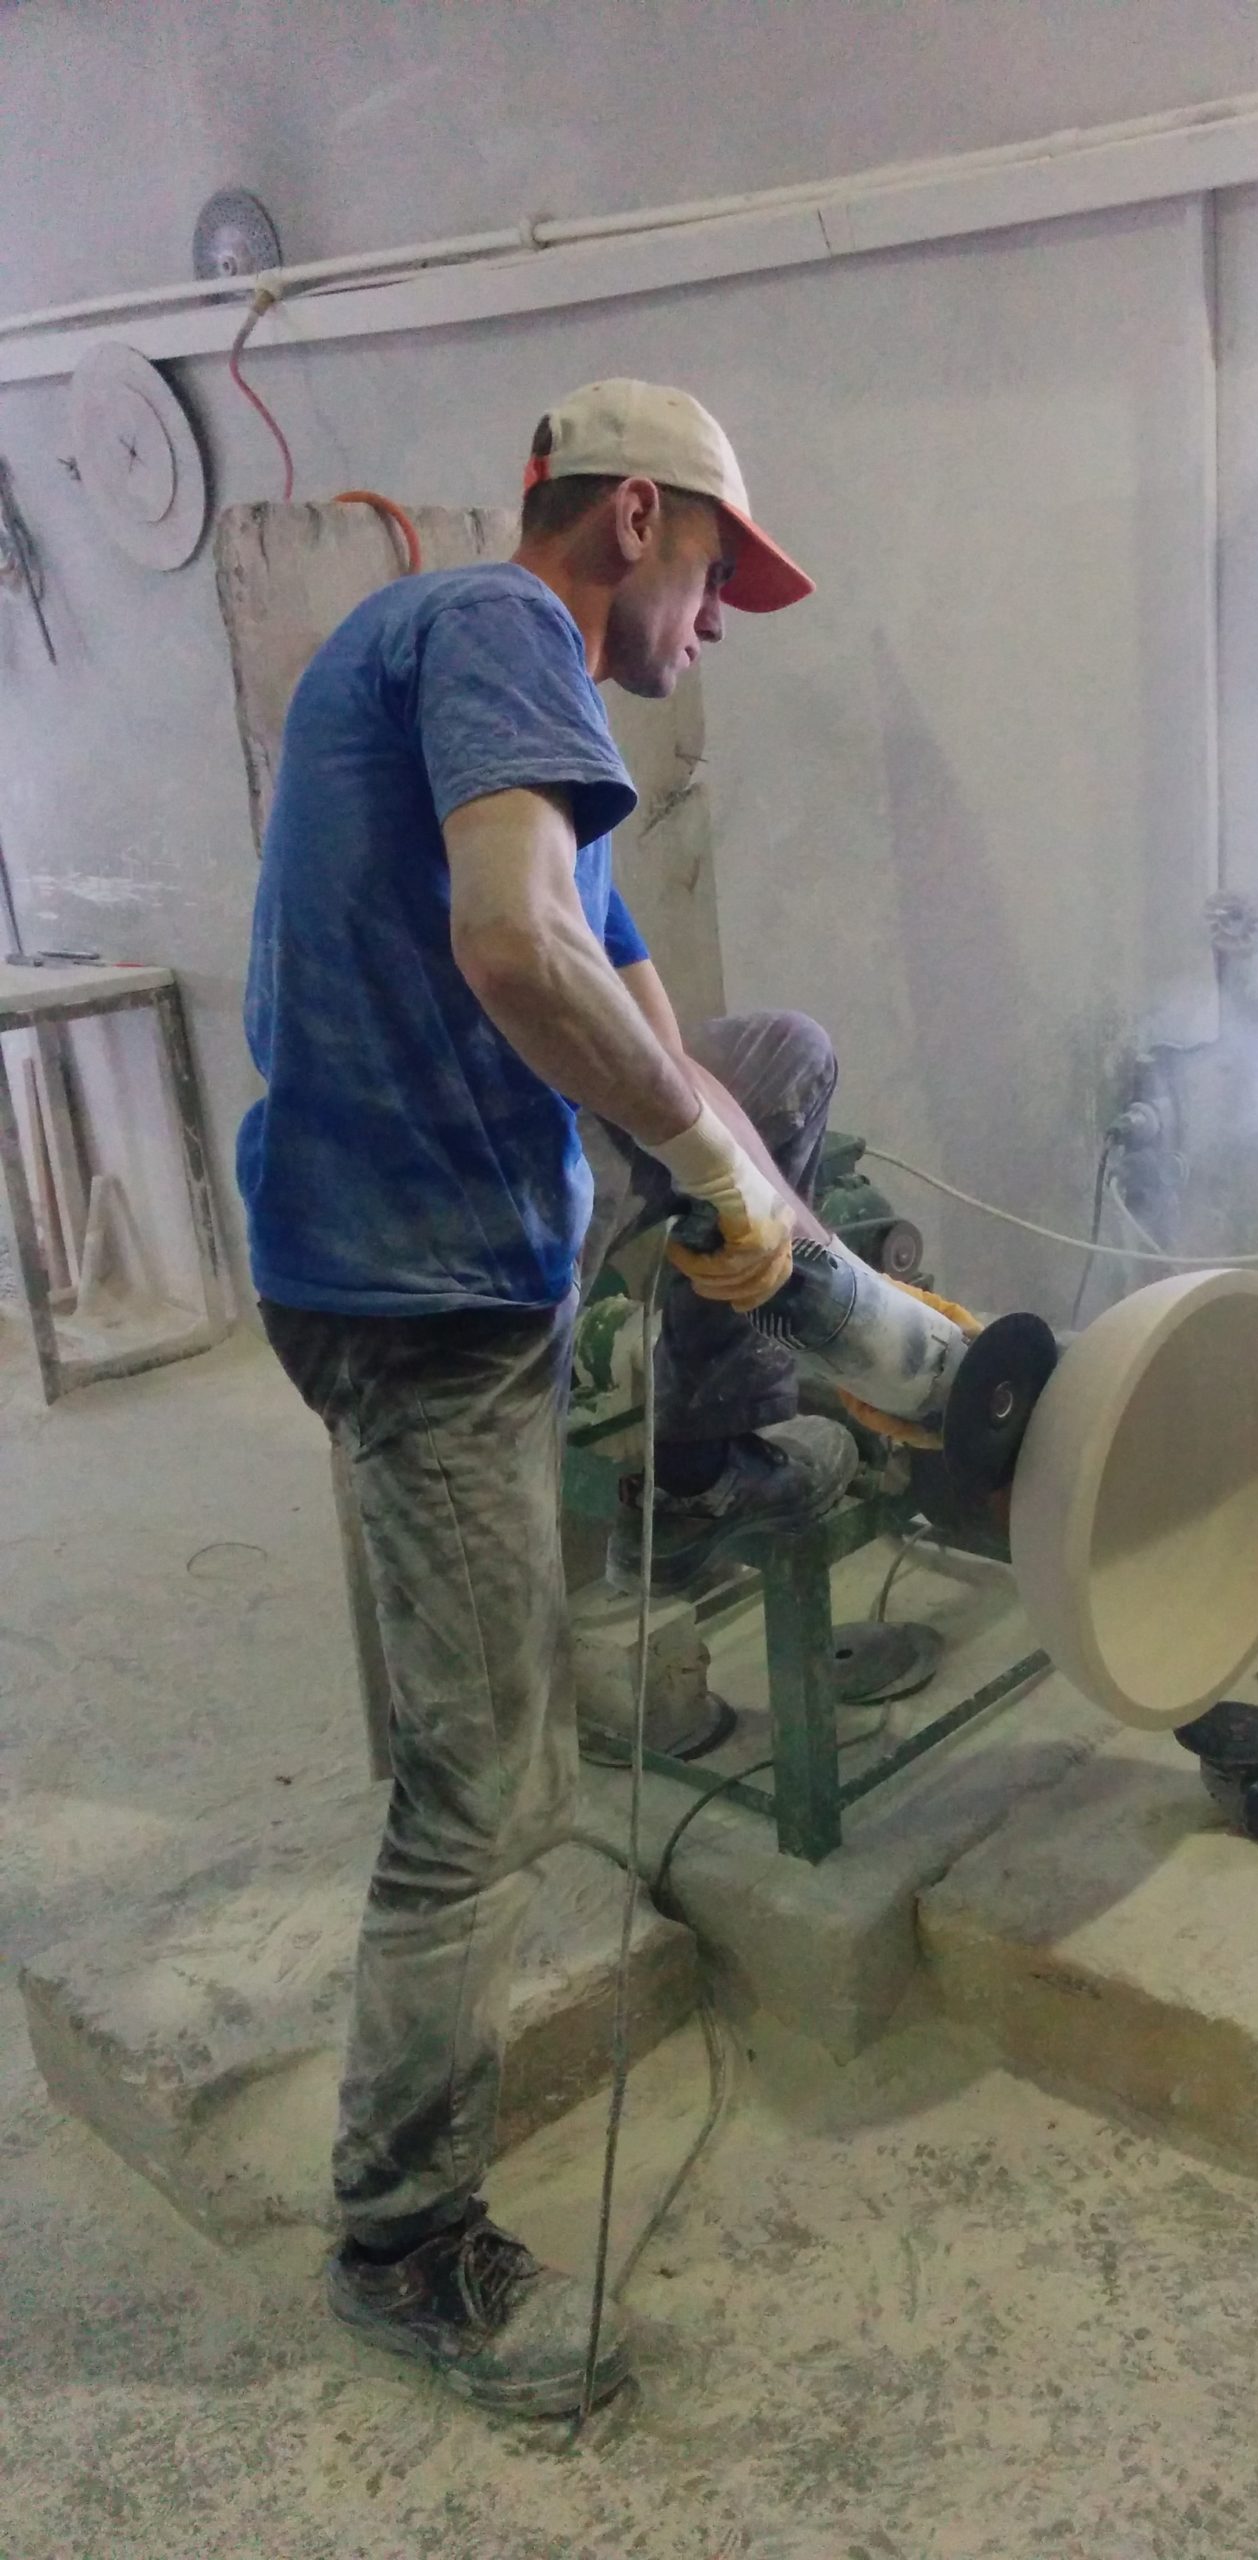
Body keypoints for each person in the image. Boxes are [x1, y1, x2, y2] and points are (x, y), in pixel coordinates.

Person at [238, 379, 859, 2417]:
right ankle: (402, 2236)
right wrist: (692, 1164)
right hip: (417, 1290)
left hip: (455, 1238)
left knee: (776, 1064)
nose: (720, 620)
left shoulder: (527, 720)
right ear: (631, 519)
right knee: (490, 1788)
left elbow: (631, 990)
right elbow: (513, 946)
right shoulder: (503, 626)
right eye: (717, 572)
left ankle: (718, 1408)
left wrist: (760, 1198)